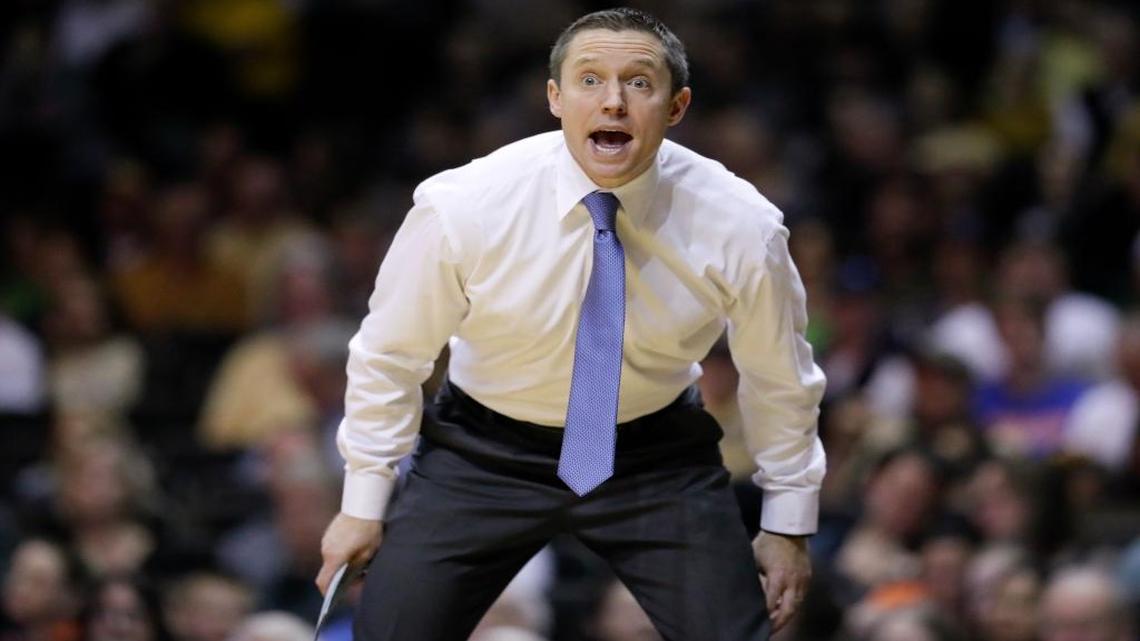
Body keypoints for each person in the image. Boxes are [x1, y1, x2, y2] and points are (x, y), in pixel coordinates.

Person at [316, 8, 826, 641]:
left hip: (656, 456)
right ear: (555, 98)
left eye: (638, 83)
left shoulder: (742, 223)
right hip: (480, 454)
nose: (612, 102)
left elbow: (779, 375)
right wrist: (361, 504)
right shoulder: (464, 205)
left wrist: (786, 523)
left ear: (677, 106)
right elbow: (390, 356)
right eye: (590, 80)